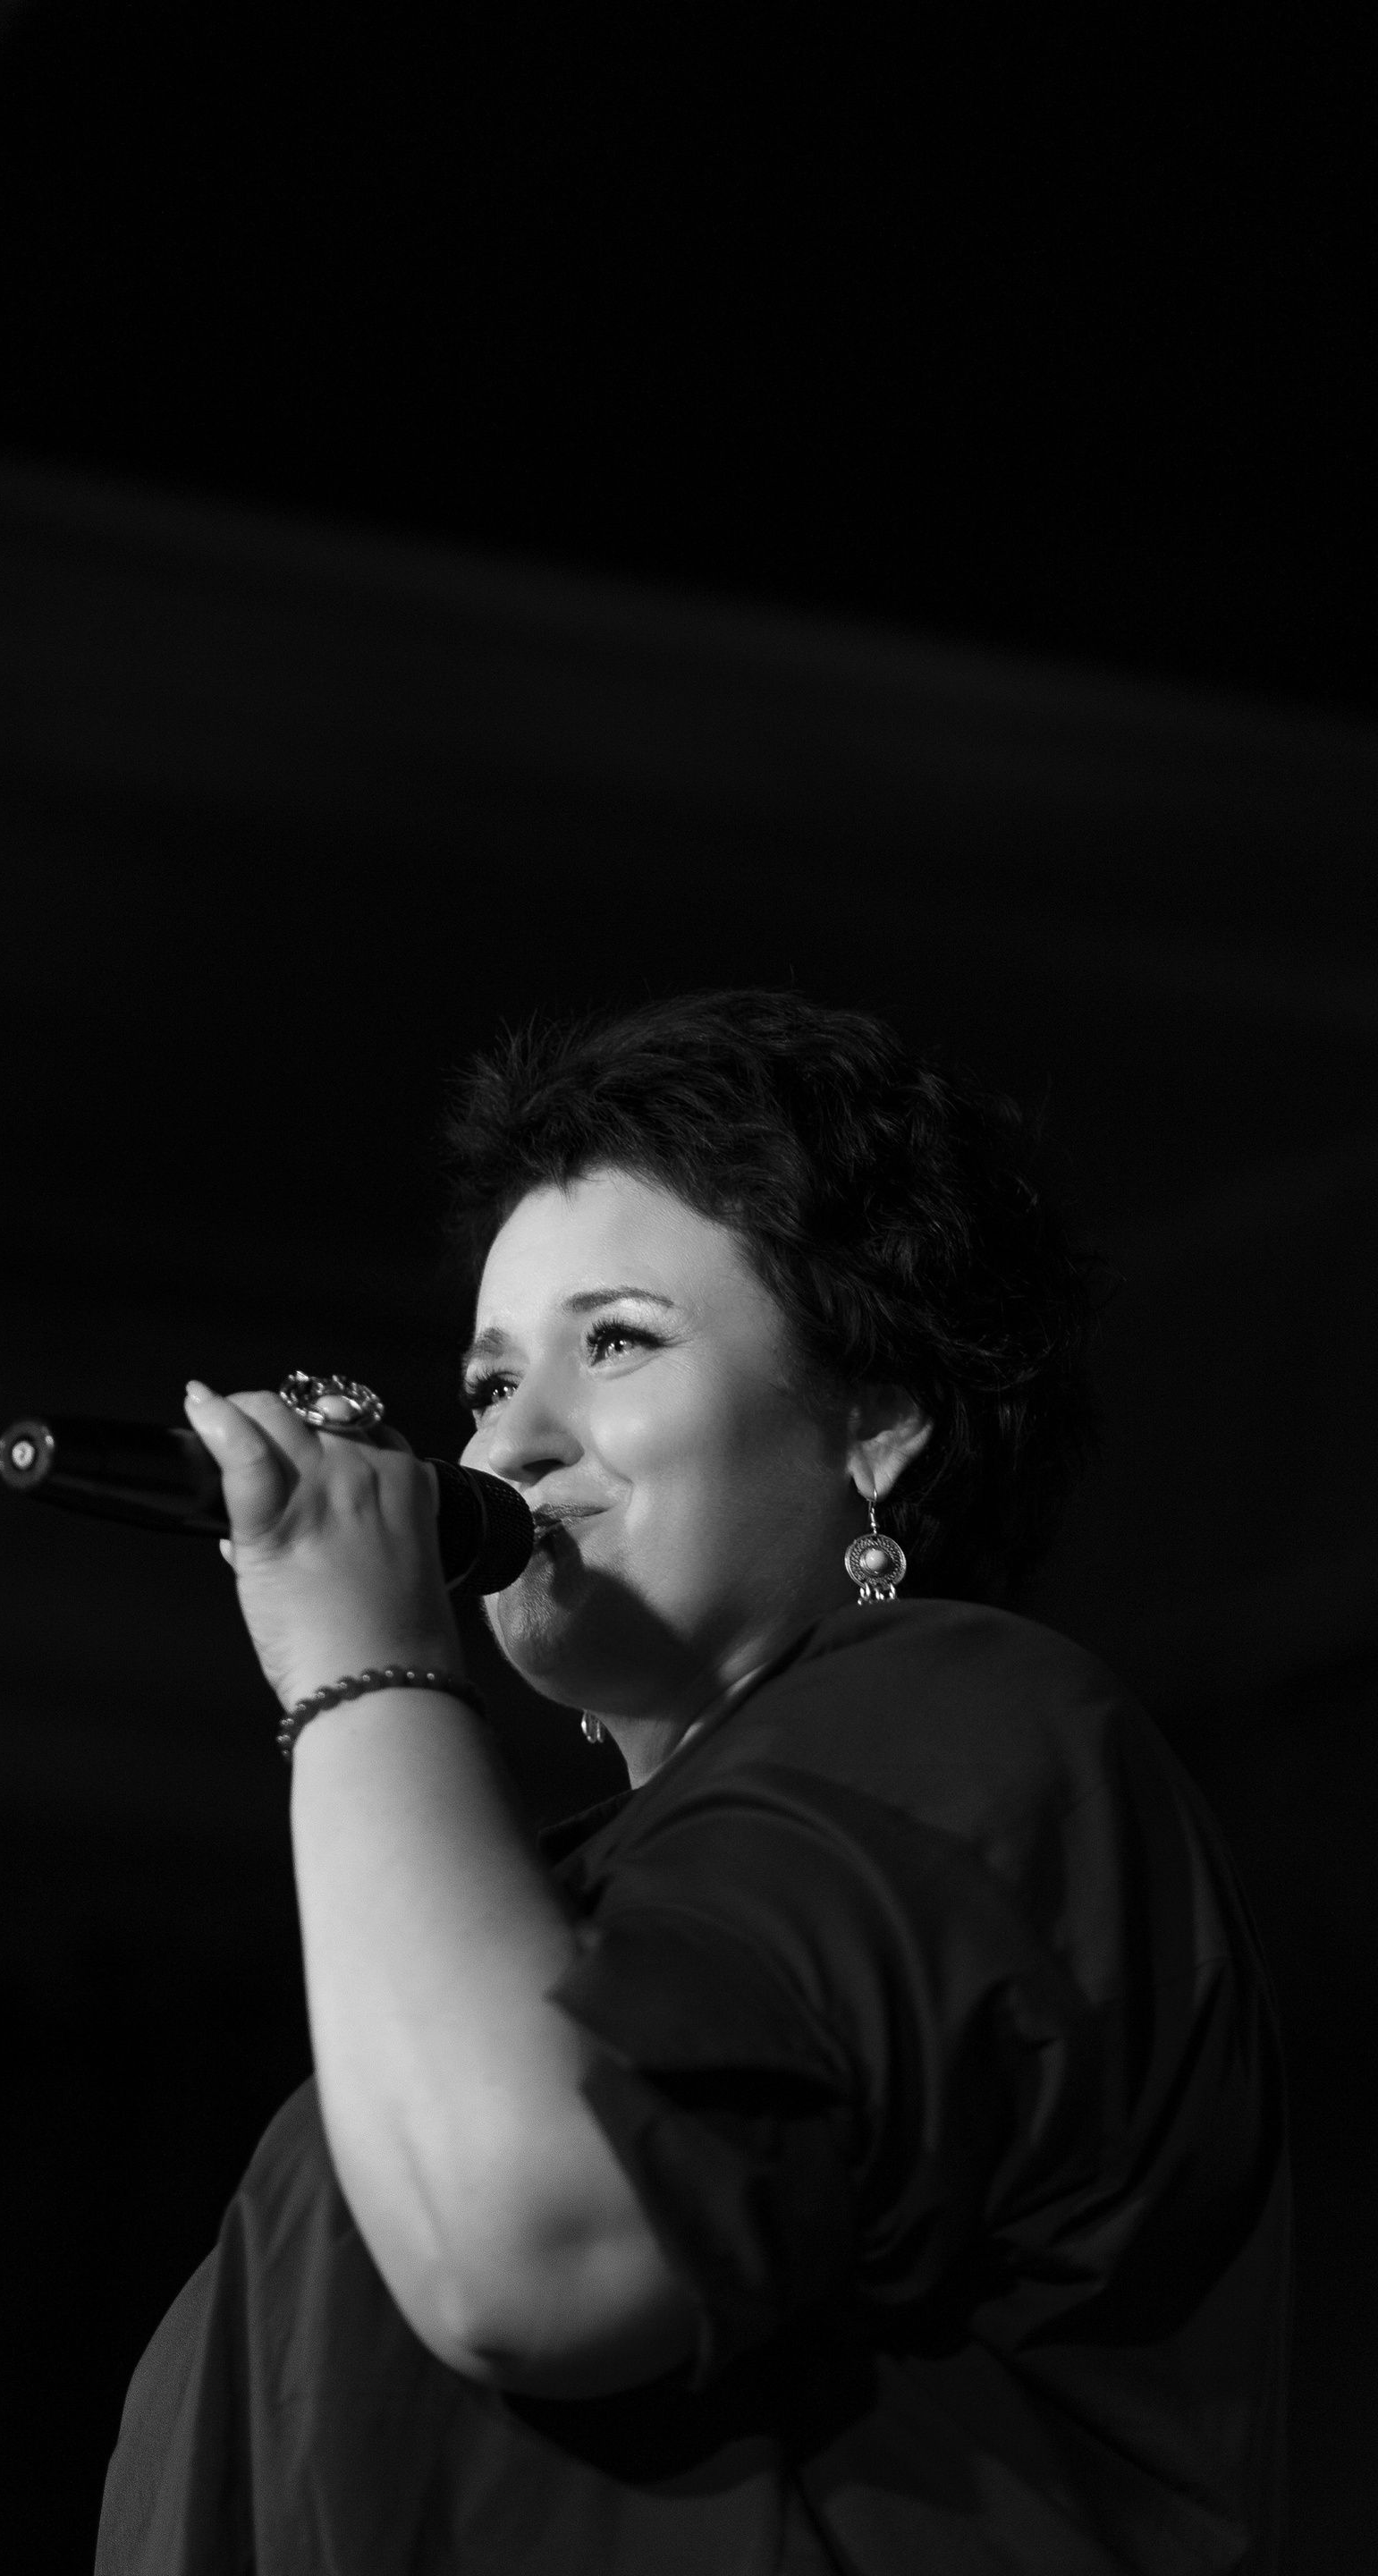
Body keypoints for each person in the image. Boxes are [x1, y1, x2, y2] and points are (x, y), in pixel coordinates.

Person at [94, 991, 1289, 2576]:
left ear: (879, 1423)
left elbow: (540, 2238)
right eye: (487, 1384)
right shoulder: (541, 1919)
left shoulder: (977, 1721)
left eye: (616, 1342)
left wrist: (360, 1669)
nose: (508, 1446)